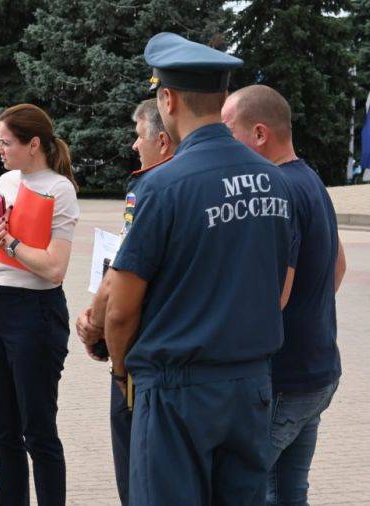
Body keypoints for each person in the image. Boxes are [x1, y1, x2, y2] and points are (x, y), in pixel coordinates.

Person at [105, 32, 298, 505]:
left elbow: (121, 312)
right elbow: (278, 283)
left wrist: (119, 369)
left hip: (178, 391)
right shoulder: (275, 179)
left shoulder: (163, 185)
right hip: (250, 385)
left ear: (167, 98)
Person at [222, 85, 346, 505]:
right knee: (288, 491)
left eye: (228, 129)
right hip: (317, 369)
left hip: (285, 379)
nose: (222, 141)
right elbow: (338, 267)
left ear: (259, 134)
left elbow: (273, 296)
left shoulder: (278, 190)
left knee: (242, 490)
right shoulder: (308, 178)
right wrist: (307, 319)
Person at [0, 104, 79, 506]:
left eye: (6, 142)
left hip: (36, 312)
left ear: (33, 144)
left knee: (38, 431)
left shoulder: (59, 189)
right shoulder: (4, 182)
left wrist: (11, 242)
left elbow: (55, 269)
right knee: (2, 431)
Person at [74, 98, 173, 505]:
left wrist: (98, 330)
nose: (134, 146)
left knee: (139, 480)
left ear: (163, 141)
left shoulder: (153, 187)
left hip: (142, 359)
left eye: (138, 136)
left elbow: (122, 287)